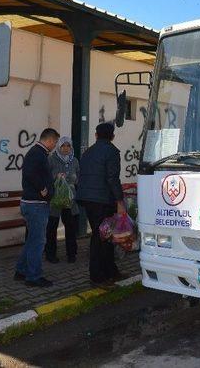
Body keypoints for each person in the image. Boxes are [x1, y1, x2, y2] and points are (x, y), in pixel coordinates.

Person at [76, 122, 126, 285]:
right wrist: (120, 201)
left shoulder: (87, 152)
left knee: (103, 236)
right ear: (112, 136)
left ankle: (108, 270)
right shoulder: (112, 152)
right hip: (103, 200)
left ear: (96, 135)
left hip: (88, 199)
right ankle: (98, 275)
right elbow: (112, 178)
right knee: (101, 237)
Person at [14, 128, 60, 287]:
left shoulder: (38, 153)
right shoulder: (37, 153)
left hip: (33, 204)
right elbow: (29, 172)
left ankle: (21, 270)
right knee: (39, 241)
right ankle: (33, 277)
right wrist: (43, 189)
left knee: (33, 240)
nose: (55, 146)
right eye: (55, 142)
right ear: (50, 140)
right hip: (36, 205)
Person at [45, 136, 80, 264]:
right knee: (52, 226)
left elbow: (78, 177)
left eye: (68, 146)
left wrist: (72, 179)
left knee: (70, 227)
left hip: (69, 200)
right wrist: (57, 177)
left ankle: (71, 253)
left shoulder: (74, 160)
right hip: (55, 199)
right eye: (63, 146)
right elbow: (46, 176)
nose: (66, 148)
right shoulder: (51, 159)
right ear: (59, 147)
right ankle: (50, 253)